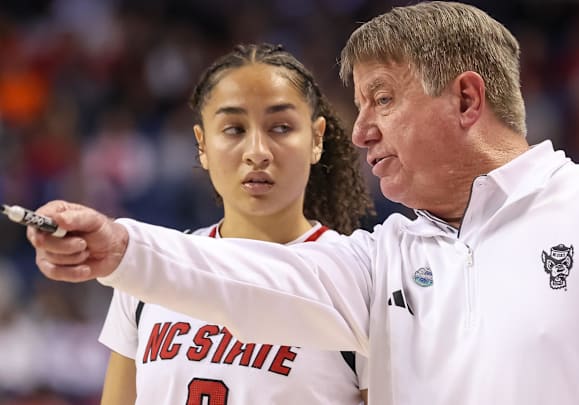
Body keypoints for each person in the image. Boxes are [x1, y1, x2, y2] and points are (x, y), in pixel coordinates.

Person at [27, 2, 579, 404]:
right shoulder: (385, 255)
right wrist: (121, 247)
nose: (360, 131)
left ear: (467, 99)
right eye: (359, 107)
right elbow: (252, 275)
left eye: (383, 99)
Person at [96, 43, 372, 405]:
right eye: (233, 129)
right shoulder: (151, 267)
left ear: (316, 139)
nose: (257, 151)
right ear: (202, 146)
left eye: (281, 127)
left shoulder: (360, 280)